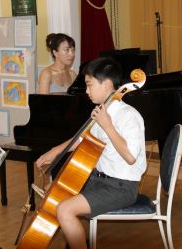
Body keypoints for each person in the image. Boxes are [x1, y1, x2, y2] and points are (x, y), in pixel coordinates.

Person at [35, 57, 146, 249]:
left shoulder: (129, 116)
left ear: (107, 84)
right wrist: (55, 151)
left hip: (121, 187)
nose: (86, 91)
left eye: (89, 85)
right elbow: (82, 139)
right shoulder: (101, 112)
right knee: (53, 194)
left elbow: (130, 157)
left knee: (65, 210)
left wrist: (108, 126)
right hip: (97, 180)